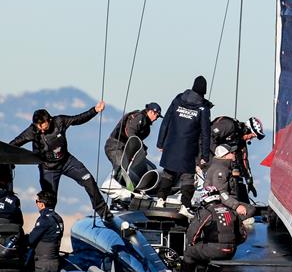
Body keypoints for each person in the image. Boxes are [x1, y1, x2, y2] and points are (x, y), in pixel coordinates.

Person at [9, 101, 113, 223]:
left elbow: (78, 119)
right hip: (48, 168)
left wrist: (94, 110)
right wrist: (7, 160)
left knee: (88, 180)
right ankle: (47, 226)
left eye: (42, 124)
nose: (40, 128)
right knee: (49, 201)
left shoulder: (59, 121)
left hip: (66, 161)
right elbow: (15, 143)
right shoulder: (32, 131)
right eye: (38, 125)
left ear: (49, 120)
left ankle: (104, 213)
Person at [156, 75, 213, 217]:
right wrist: (205, 155)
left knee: (168, 172)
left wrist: (160, 142)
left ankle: (160, 200)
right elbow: (206, 133)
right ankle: (185, 206)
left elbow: (166, 121)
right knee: (188, 176)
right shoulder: (203, 108)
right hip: (189, 147)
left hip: (172, 143)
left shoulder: (178, 99)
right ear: (204, 91)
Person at [178, 186, 247, 272]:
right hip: (231, 251)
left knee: (190, 252)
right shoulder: (231, 211)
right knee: (202, 249)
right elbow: (243, 235)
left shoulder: (206, 212)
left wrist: (192, 243)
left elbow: (192, 234)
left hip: (214, 250)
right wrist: (231, 244)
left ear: (205, 197)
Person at [210, 115, 265, 199]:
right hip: (205, 157)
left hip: (221, 165)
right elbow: (208, 136)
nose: (251, 139)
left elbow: (243, 160)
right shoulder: (229, 125)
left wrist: (249, 182)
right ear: (247, 130)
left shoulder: (240, 141)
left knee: (236, 182)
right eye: (252, 136)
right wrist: (219, 154)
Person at [104, 102, 163, 171]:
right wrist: (139, 148)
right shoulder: (139, 117)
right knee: (121, 167)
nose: (157, 118)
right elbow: (130, 132)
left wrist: (142, 150)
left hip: (123, 149)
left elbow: (135, 140)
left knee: (138, 167)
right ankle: (116, 178)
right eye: (157, 115)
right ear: (151, 112)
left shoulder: (146, 128)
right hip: (115, 146)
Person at [204, 145, 256, 221]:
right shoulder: (220, 171)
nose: (234, 154)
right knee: (250, 210)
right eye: (232, 152)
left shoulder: (222, 167)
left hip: (224, 202)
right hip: (220, 204)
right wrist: (236, 206)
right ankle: (233, 222)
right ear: (225, 155)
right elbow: (221, 194)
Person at [25, 190, 65, 272]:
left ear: (42, 204)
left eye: (37, 201)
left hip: (43, 264)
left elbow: (30, 240)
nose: (36, 204)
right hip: (54, 261)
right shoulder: (58, 218)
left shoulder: (44, 219)